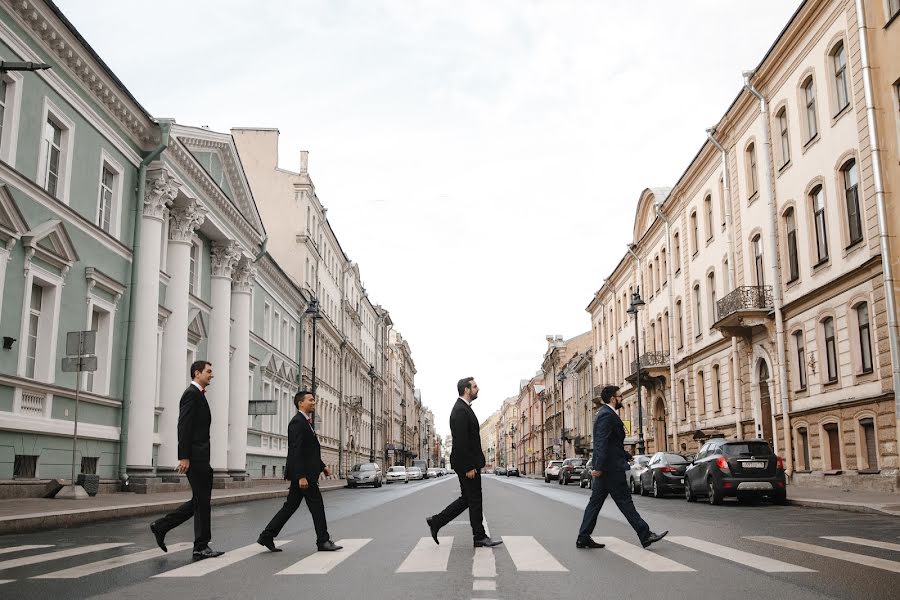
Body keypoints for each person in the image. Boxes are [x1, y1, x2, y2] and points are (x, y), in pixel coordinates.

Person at [576, 385, 668, 550]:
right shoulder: (607, 415)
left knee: (595, 504)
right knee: (625, 502)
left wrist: (625, 455)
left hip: (607, 468)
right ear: (612, 398)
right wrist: (597, 466)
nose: (621, 399)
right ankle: (645, 534)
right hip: (610, 469)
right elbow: (601, 442)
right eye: (619, 396)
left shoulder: (606, 414)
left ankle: (583, 537)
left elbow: (611, 443)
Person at [150, 360, 224, 560]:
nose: (212, 375)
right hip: (195, 457)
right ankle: (201, 545)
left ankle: (161, 526)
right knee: (202, 502)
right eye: (209, 371)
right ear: (197, 373)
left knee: (199, 501)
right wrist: (184, 457)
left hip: (201, 457)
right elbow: (184, 426)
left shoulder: (198, 395)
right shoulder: (191, 395)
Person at [257, 390, 342, 553]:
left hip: (305, 473)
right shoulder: (297, 422)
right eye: (310, 400)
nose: (313, 402)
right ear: (300, 403)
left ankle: (267, 535)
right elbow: (296, 450)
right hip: (304, 476)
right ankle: (323, 541)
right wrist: (301, 476)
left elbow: (309, 449)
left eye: (314, 400)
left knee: (290, 507)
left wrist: (322, 466)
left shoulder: (306, 422)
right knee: (317, 507)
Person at [426, 377, 502, 548]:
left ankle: (436, 522)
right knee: (475, 499)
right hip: (467, 464)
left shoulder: (463, 408)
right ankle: (479, 536)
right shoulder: (460, 410)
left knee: (468, 499)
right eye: (475, 386)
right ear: (466, 390)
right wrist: (469, 466)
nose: (478, 389)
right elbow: (461, 441)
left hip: (467, 462)